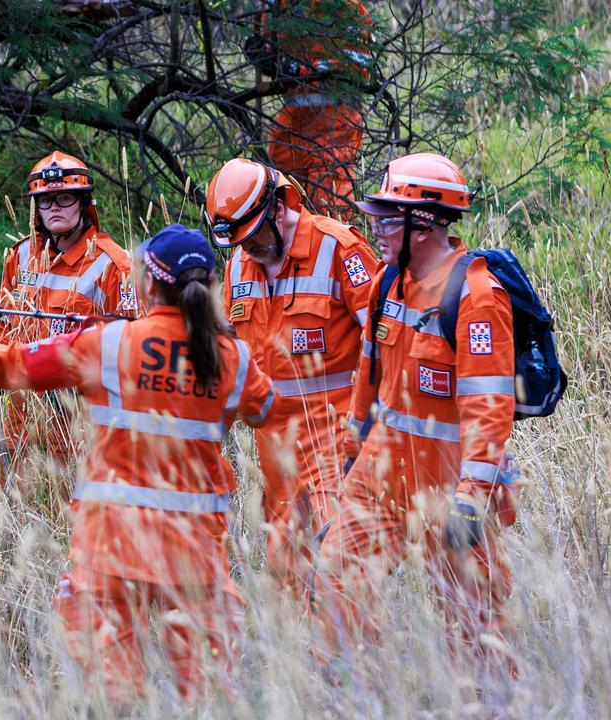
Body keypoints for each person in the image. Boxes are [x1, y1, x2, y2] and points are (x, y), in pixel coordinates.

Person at [0, 225, 275, 701]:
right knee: (207, 696)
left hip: (111, 551)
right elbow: (266, 410)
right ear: (210, 288)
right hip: (195, 555)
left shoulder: (109, 344)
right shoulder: (232, 358)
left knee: (110, 697)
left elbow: (11, 365)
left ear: (149, 285)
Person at [313, 152, 519, 667]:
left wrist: (472, 495)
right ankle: (355, 693)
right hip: (382, 464)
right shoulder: (388, 281)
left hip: (451, 477)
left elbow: (489, 405)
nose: (376, 228)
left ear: (422, 222)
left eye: (386, 218)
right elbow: (369, 374)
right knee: (337, 576)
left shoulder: (476, 297)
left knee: (472, 618)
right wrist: (350, 455)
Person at [205, 158, 378, 599]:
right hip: (273, 459)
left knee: (341, 578)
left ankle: (352, 666)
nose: (250, 249)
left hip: (334, 448)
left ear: (278, 209)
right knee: (287, 580)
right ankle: (302, 667)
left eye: (255, 236)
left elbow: (386, 344)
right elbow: (230, 358)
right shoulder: (238, 268)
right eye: (239, 242)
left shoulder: (338, 248)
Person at [0, 151, 137, 485]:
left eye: (65, 198)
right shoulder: (21, 255)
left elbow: (134, 347)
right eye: (45, 200)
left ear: (83, 202)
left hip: (77, 424)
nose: (54, 207)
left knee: (67, 519)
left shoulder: (115, 265)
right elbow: (0, 320)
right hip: (18, 416)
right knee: (14, 512)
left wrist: (78, 382)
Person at [256, 0, 373, 220]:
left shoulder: (345, 7)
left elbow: (360, 66)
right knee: (278, 207)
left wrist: (299, 70)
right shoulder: (276, 7)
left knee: (330, 211)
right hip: (291, 122)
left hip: (335, 122)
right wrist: (263, 55)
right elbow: (274, 56)